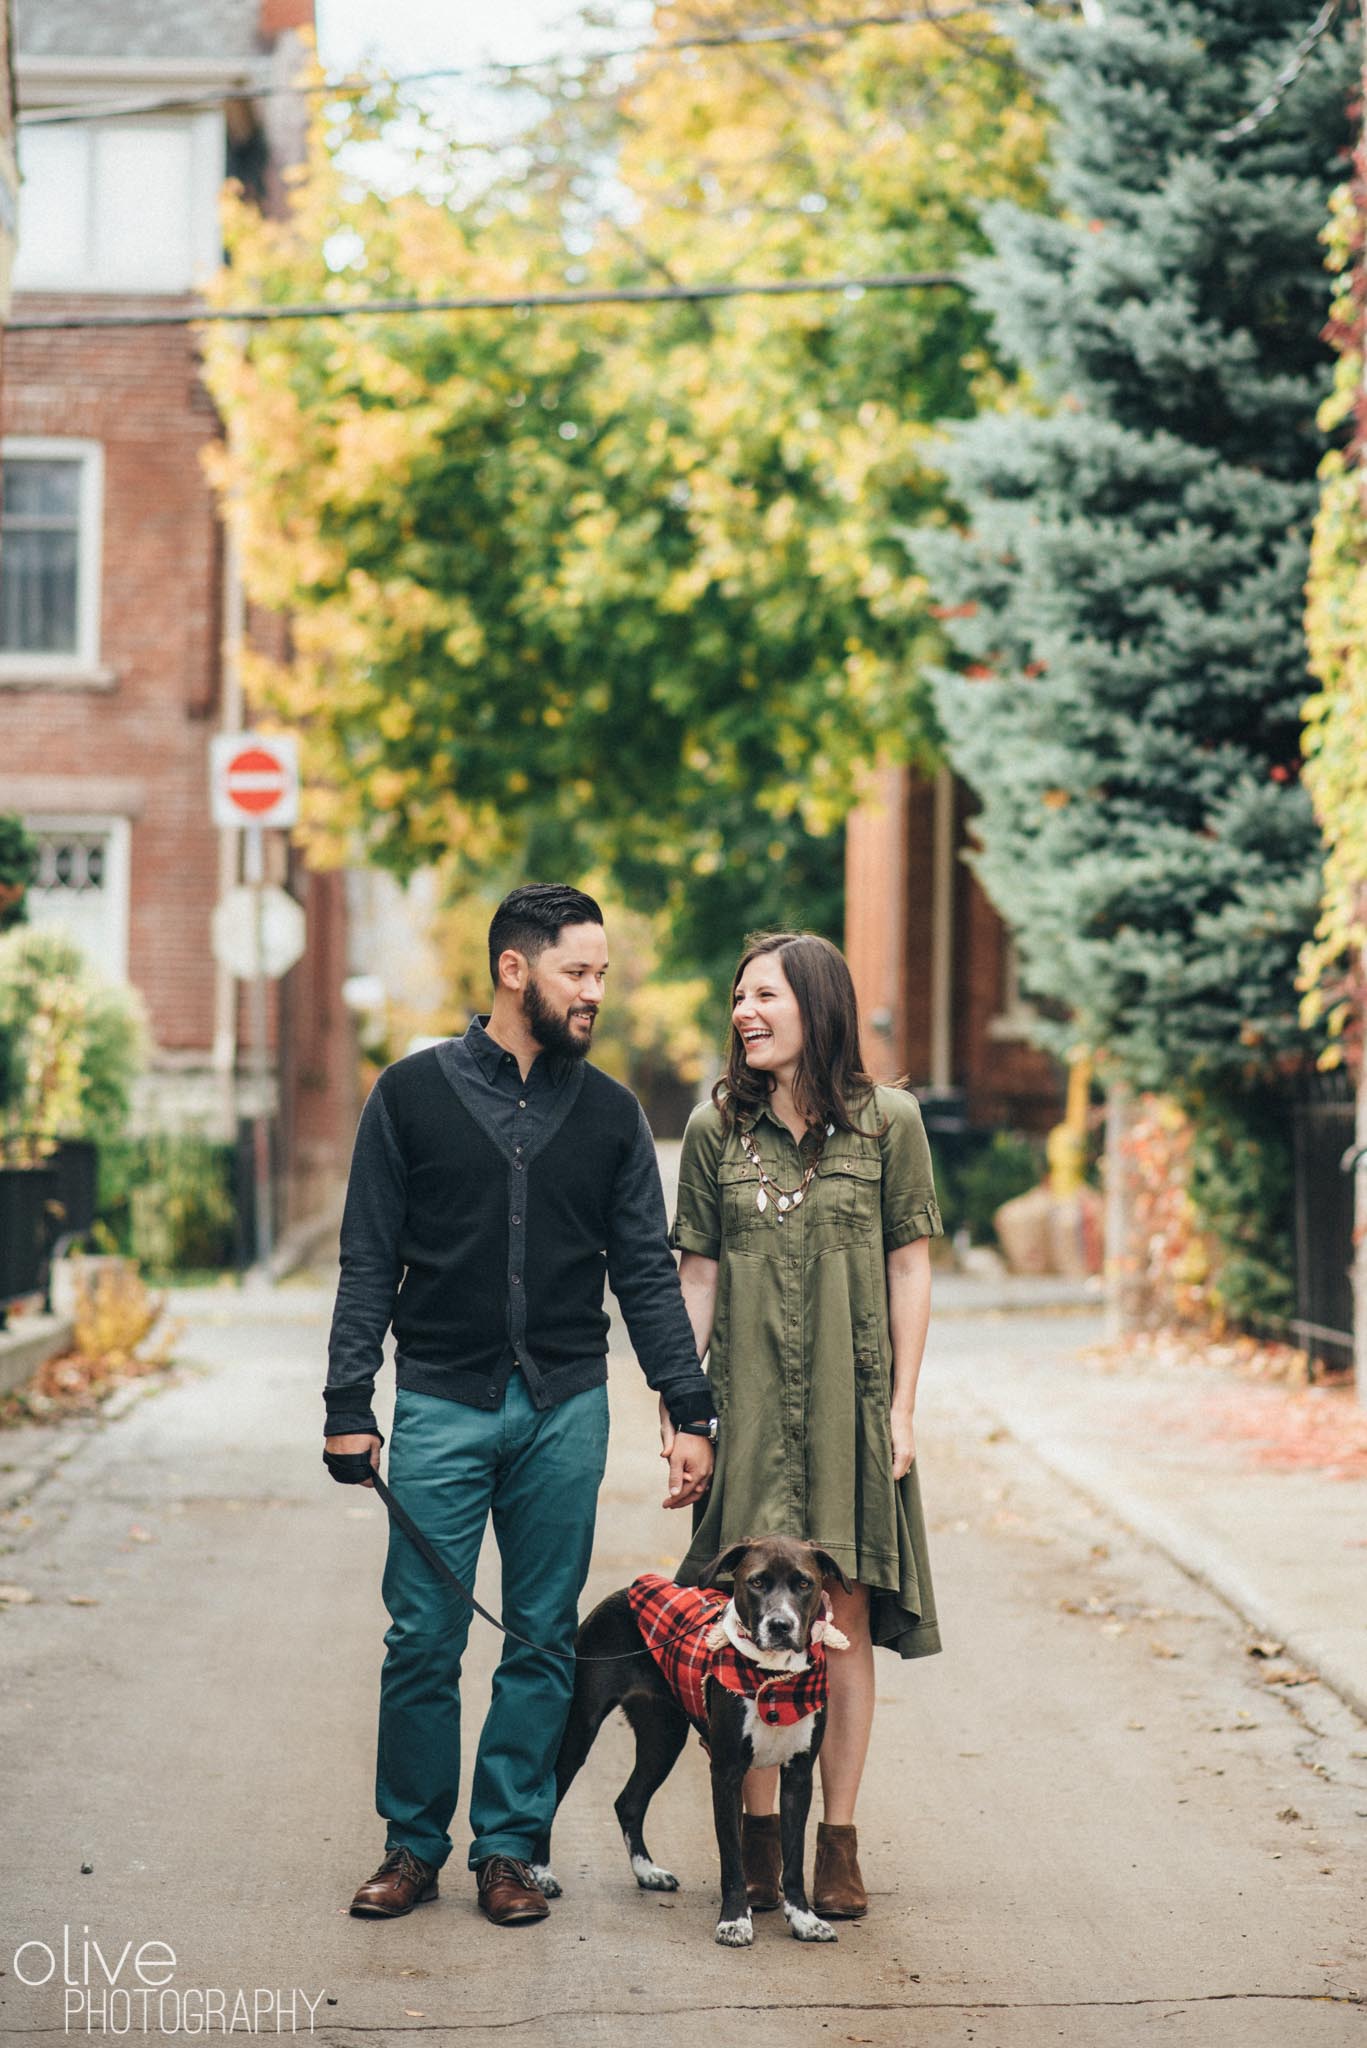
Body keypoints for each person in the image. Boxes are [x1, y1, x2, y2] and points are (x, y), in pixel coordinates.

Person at [323, 884, 716, 1929]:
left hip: (564, 1405)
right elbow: (368, 1258)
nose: (596, 991)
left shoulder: (611, 1113)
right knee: (421, 1634)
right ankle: (411, 1845)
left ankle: (507, 1847)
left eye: (601, 972)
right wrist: (347, 1399)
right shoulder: (408, 1095)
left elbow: (643, 1271)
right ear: (514, 969)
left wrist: (688, 1407)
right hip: (442, 1403)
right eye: (577, 971)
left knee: (542, 1634)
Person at [666, 930, 941, 1921]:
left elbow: (908, 1265)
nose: (743, 1011)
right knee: (747, 1630)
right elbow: (694, 1273)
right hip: (743, 1413)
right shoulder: (713, 1131)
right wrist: (681, 1413)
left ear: (816, 1005)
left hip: (849, 1411)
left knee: (842, 1621)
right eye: (736, 996)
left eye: (764, 995)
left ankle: (837, 1838)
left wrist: (902, 1406)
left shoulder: (888, 1123)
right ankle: (758, 1852)